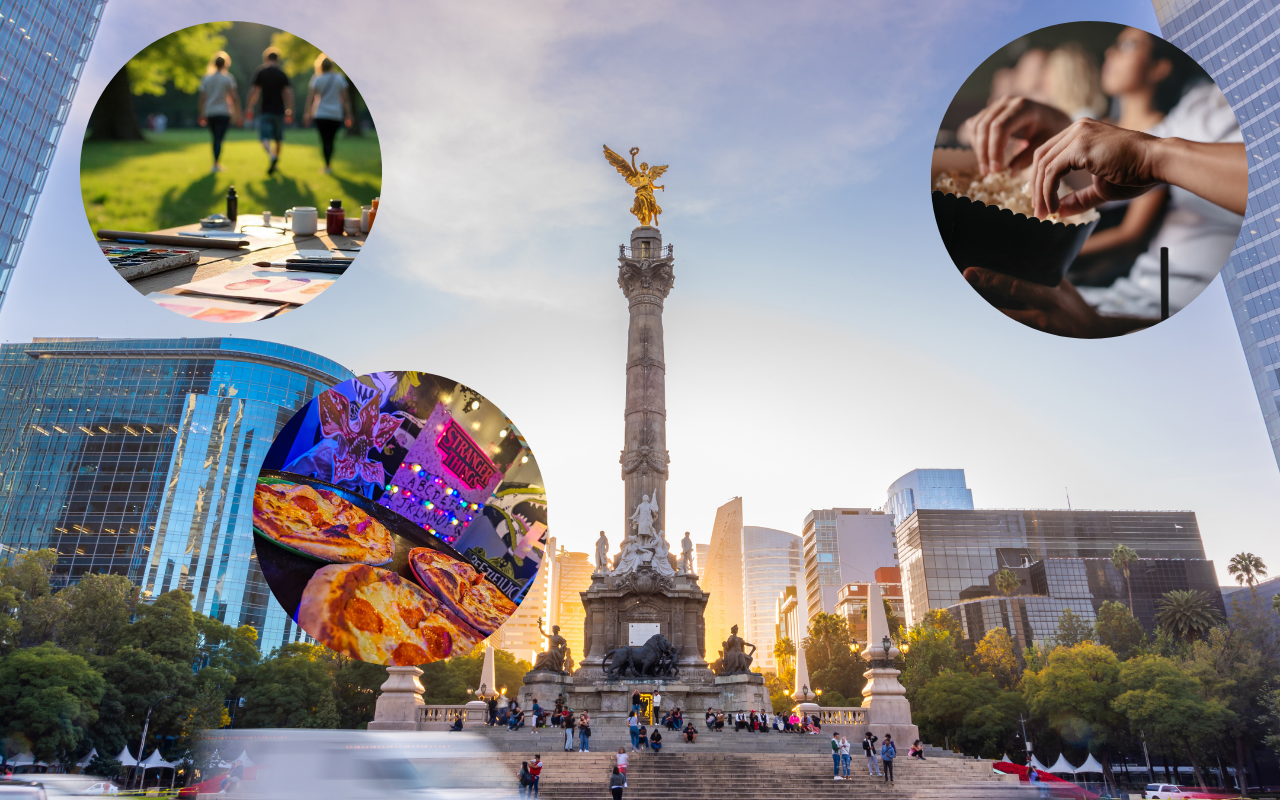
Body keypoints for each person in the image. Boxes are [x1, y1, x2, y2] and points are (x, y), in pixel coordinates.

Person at [963, 87, 1246, 336]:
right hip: (1131, 296)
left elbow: (1153, 157)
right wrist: (1059, 130)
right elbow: (1127, 170)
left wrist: (1103, 329)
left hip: (1190, 322)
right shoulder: (1198, 101)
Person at [244, 47, 294, 176]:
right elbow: (288, 93)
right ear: (277, 59)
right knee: (278, 139)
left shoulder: (261, 72)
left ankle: (272, 156)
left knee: (264, 138)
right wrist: (290, 110)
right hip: (279, 111)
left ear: (266, 59)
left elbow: (254, 92)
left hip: (265, 111)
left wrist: (249, 107)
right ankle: (275, 161)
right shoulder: (281, 73)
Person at [302, 54, 353, 175]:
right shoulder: (339, 78)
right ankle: (329, 164)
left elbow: (311, 99)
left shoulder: (317, 79)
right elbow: (345, 99)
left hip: (321, 114)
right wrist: (349, 115)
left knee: (325, 140)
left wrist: (307, 114)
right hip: (336, 114)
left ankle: (327, 165)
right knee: (331, 140)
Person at [196, 51, 240, 173]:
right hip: (224, 112)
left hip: (210, 112)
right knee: (219, 138)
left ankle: (215, 163)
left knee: (215, 138)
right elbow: (234, 97)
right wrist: (237, 113)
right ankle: (216, 163)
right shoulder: (228, 78)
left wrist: (200, 114)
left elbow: (202, 98)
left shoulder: (207, 79)